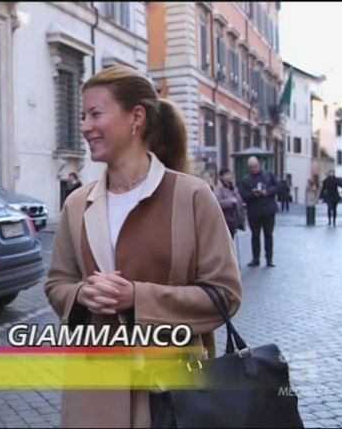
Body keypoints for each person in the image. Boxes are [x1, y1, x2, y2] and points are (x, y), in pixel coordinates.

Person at [44, 65, 242, 428]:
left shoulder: (192, 196)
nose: (85, 126)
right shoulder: (76, 203)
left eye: (95, 114)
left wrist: (137, 297)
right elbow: (57, 284)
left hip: (173, 397)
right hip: (94, 397)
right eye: (82, 116)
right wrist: (82, 295)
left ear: (136, 117)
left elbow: (224, 294)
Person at [238, 156, 279, 267]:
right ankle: (255, 258)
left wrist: (267, 192)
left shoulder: (269, 175)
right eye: (251, 167)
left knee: (268, 235)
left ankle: (269, 258)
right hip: (254, 211)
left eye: (255, 166)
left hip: (268, 210)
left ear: (259, 165)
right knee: (255, 235)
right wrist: (253, 194)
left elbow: (277, 187)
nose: (254, 169)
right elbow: (243, 195)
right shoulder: (246, 180)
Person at [214, 168, 246, 238]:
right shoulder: (219, 189)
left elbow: (239, 201)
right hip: (224, 219)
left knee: (232, 238)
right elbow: (217, 203)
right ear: (221, 177)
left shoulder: (234, 188)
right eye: (226, 175)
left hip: (233, 219)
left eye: (230, 174)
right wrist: (230, 201)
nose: (229, 176)